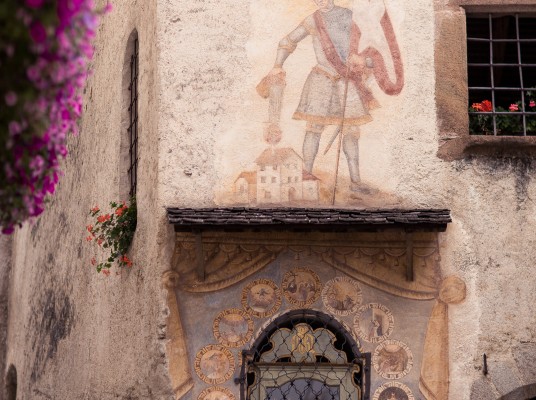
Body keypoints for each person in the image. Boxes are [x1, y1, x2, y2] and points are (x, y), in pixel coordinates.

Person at [264, 0, 403, 193]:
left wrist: (363, 60)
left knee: (351, 132)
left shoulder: (352, 16)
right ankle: (306, 176)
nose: (319, 1)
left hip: (348, 82)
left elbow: (375, 54)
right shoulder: (313, 20)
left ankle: (355, 183)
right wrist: (277, 65)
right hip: (321, 79)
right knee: (313, 129)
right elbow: (287, 42)